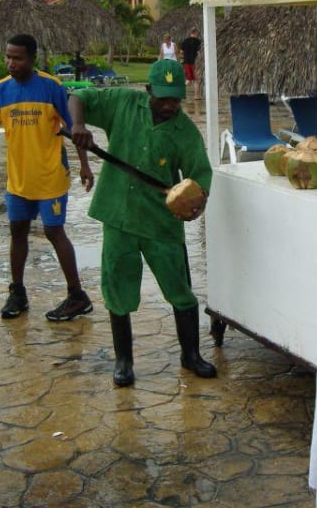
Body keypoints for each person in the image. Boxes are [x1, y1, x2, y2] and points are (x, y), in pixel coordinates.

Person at [68, 58, 216, 387]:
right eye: (162, 97)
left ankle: (190, 355)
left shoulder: (184, 131)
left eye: (175, 99)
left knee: (180, 290)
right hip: (118, 213)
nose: (169, 105)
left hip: (161, 223)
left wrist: (197, 202)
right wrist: (79, 125)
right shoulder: (123, 102)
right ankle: (123, 361)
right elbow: (78, 97)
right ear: (148, 89)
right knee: (117, 288)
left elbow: (200, 174)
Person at [0, 34, 96, 321]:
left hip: (50, 177)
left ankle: (77, 295)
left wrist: (84, 165)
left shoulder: (51, 87)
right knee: (17, 231)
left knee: (54, 232)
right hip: (18, 180)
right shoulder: (1, 91)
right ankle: (17, 292)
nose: (10, 63)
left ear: (32, 58)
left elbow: (75, 129)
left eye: (17, 58)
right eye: (8, 57)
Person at [179, 28, 202, 100]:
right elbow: (199, 52)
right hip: (195, 62)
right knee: (196, 80)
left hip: (186, 62)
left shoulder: (185, 41)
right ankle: (196, 96)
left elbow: (181, 52)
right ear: (195, 33)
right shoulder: (198, 42)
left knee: (188, 80)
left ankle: (180, 93)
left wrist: (185, 57)